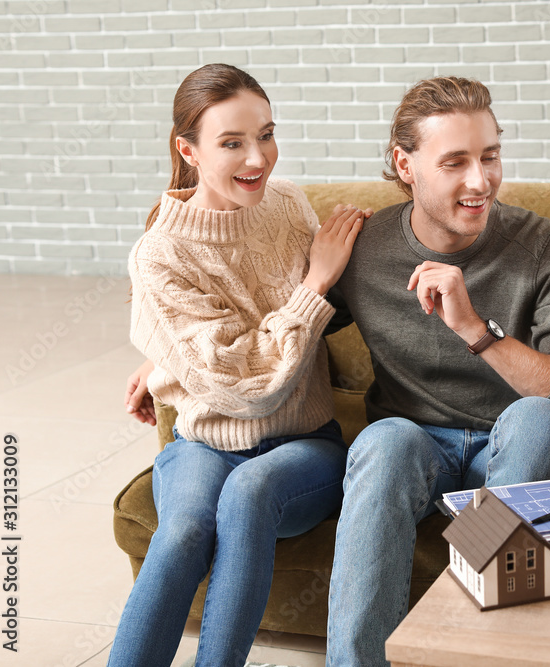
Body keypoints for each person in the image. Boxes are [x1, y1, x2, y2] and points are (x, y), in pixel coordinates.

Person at [322, 76, 550, 666]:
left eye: (490, 156)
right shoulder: (364, 249)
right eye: (454, 162)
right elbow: (274, 322)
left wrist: (476, 332)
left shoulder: (542, 245)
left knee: (539, 420)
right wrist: (170, 354)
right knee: (384, 442)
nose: (480, 181)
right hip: (415, 451)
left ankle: (486, 652)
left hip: (509, 448)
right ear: (406, 165)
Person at [110, 63, 370, 667]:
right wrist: (315, 281)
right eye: (232, 143)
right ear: (189, 151)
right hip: (204, 442)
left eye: (267, 134)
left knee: (251, 491)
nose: (259, 157)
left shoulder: (286, 203)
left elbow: (298, 334)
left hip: (304, 442)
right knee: (181, 534)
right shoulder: (159, 253)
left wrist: (163, 361)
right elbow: (246, 386)